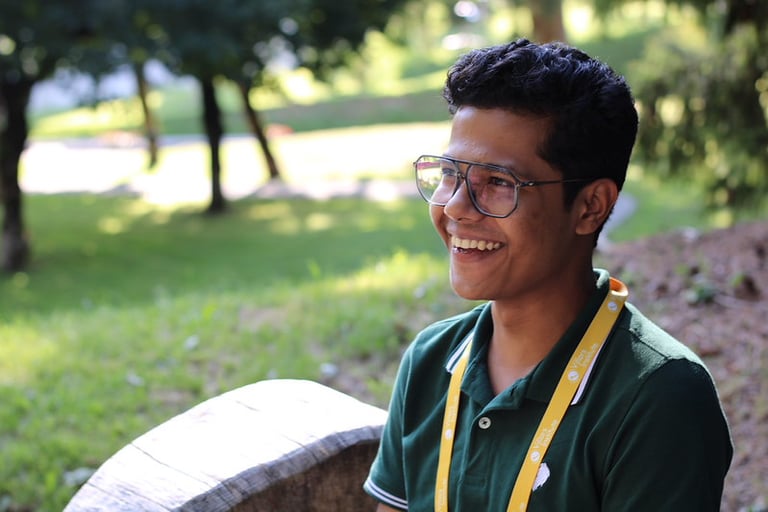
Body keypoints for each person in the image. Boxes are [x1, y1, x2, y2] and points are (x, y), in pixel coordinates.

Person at [363, 39, 733, 511]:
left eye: (498, 183)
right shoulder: (431, 361)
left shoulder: (658, 396)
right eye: (451, 174)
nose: (455, 207)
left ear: (591, 207)